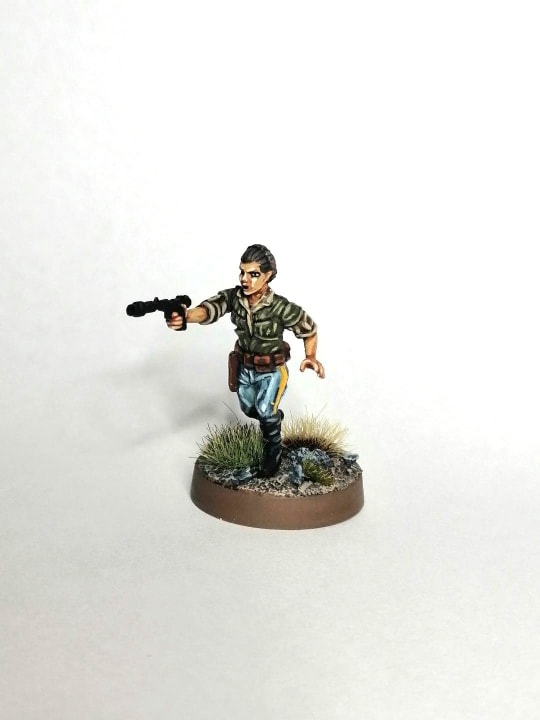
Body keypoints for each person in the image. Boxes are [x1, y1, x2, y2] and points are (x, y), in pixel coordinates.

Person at [167, 244, 325, 476]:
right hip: (245, 368)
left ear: (267, 275)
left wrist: (310, 356)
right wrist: (186, 316)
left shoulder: (280, 307)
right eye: (242, 272)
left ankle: (272, 453)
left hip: (272, 370)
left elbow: (308, 329)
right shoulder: (234, 297)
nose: (245, 279)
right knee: (250, 408)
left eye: (253, 274)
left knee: (264, 409)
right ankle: (272, 418)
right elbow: (210, 309)